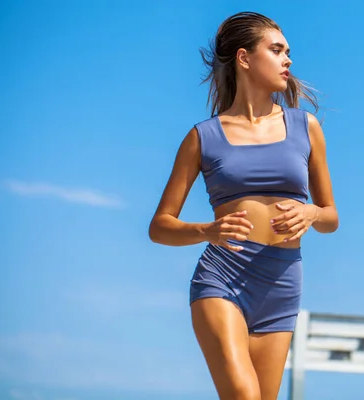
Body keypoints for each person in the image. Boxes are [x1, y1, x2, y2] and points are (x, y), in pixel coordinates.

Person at [149, 11, 338, 400]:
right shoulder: (203, 137)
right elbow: (160, 226)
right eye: (277, 50)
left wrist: (312, 213)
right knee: (243, 395)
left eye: (288, 52)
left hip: (283, 282)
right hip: (223, 276)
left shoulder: (306, 127)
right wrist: (207, 230)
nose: (288, 59)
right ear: (244, 58)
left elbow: (331, 216)